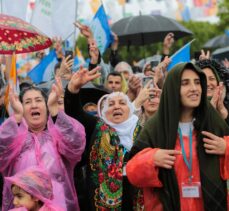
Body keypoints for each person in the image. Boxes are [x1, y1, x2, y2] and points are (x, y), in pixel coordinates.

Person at [126, 62, 229, 211]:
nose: (194, 88)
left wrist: (226, 147)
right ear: (173, 88)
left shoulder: (212, 122)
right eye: (185, 83)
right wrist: (152, 158)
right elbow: (132, 172)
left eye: (197, 82)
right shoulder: (156, 127)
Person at [0, 78, 86, 211]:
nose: (34, 105)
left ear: (46, 107)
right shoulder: (14, 138)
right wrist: (16, 117)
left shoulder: (58, 136)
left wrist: (55, 109)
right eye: (27, 102)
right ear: (22, 108)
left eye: (39, 100)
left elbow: (76, 144)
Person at [64, 67, 143, 210]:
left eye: (122, 103)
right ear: (104, 112)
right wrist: (73, 90)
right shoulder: (97, 127)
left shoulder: (142, 131)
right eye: (111, 104)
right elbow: (75, 113)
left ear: (130, 109)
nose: (116, 107)